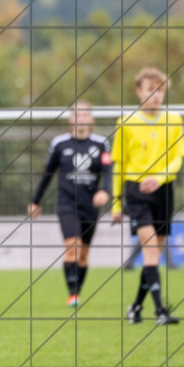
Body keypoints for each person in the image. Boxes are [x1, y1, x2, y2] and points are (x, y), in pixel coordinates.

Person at [111, 67, 184, 326]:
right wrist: (116, 203)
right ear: (138, 92)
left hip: (164, 190)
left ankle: (135, 307)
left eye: (160, 90)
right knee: (151, 247)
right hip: (136, 191)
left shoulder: (175, 120)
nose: (155, 95)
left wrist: (161, 177)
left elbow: (178, 158)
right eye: (150, 90)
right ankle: (160, 311)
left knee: (154, 253)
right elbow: (119, 165)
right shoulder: (125, 122)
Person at [28, 101, 112, 308]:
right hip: (66, 203)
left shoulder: (101, 144)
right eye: (77, 114)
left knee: (83, 255)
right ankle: (73, 294)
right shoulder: (59, 144)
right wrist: (35, 201)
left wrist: (105, 191)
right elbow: (48, 174)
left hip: (90, 205)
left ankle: (77, 291)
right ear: (70, 119)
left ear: (91, 119)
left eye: (85, 115)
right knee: (72, 247)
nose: (81, 118)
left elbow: (109, 172)